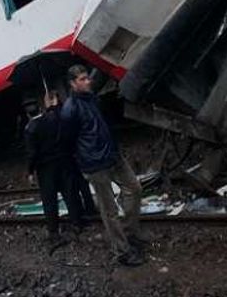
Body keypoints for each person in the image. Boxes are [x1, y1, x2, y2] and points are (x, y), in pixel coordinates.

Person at [60, 65, 145, 267]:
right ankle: (122, 252)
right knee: (109, 211)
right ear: (73, 84)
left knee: (135, 188)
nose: (87, 81)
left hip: (113, 156)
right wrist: (82, 164)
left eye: (87, 77)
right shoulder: (70, 109)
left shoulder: (92, 98)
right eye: (82, 79)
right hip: (95, 164)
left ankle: (129, 233)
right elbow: (67, 142)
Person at [25, 91, 83, 249]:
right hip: (63, 162)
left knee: (49, 200)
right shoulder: (52, 119)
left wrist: (30, 171)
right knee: (69, 193)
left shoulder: (30, 128)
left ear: (27, 113)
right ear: (39, 107)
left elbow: (32, 154)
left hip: (45, 168)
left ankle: (54, 232)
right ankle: (77, 223)